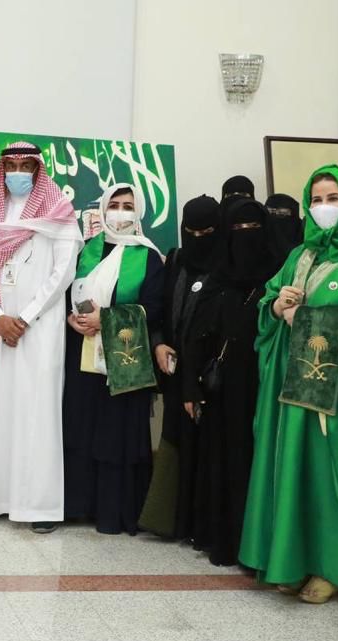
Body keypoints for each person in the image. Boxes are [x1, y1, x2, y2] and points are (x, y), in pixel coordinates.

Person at [240, 165, 338, 604]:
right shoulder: (300, 255)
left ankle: (333, 567)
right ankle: (292, 560)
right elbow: (268, 300)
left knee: (331, 478)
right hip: (293, 389)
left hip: (337, 394)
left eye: (333, 198)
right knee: (295, 473)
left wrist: (308, 320)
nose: (324, 207)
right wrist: (278, 307)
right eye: (316, 200)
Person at [0, 143, 82, 531]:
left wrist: (26, 318)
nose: (17, 172)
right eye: (11, 165)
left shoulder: (59, 213)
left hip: (40, 329)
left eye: (25, 165)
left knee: (36, 413)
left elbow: (63, 273)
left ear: (37, 169)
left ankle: (37, 508)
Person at [63, 183, 163, 536]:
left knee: (116, 434)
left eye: (128, 206)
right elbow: (67, 294)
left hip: (124, 360)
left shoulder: (149, 256)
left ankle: (114, 513)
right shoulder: (86, 249)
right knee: (81, 427)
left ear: (139, 212)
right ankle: (79, 506)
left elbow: (155, 309)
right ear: (103, 209)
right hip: (82, 354)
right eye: (114, 205)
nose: (120, 212)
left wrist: (105, 319)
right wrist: (72, 319)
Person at [180, 199, 273, 566]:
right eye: (237, 230)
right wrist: (190, 387)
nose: (245, 237)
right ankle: (221, 540)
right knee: (220, 463)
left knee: (257, 464)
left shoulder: (277, 275)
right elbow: (195, 337)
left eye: (254, 229)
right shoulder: (218, 277)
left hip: (262, 389)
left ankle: (256, 546)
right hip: (220, 391)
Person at [138, 195, 223, 538]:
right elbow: (158, 310)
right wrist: (158, 343)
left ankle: (201, 526)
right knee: (175, 441)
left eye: (207, 232)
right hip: (174, 368)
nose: (198, 238)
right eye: (192, 232)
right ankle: (170, 521)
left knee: (207, 449)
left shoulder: (226, 266)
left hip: (208, 374)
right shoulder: (176, 260)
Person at [264, 193, 304, 269]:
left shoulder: (305, 238)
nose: (275, 216)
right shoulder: (260, 240)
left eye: (282, 213)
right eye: (270, 212)